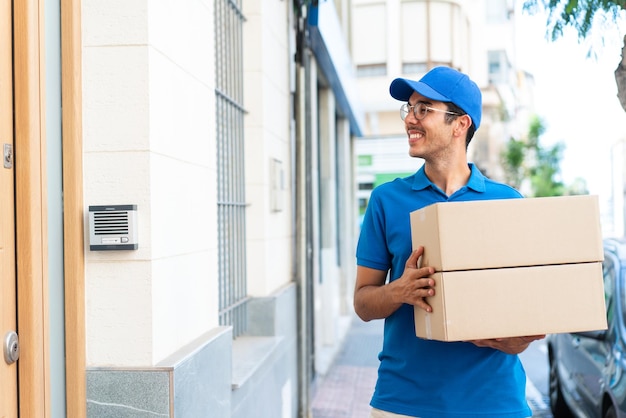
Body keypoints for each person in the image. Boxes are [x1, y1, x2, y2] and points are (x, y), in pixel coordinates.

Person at [354, 66, 545, 418]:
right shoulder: (386, 200)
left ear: (460, 124)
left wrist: (519, 339)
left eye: (424, 108)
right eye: (409, 108)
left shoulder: (507, 202)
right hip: (404, 404)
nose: (410, 118)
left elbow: (528, 308)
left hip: (495, 404)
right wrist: (400, 291)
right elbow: (363, 304)